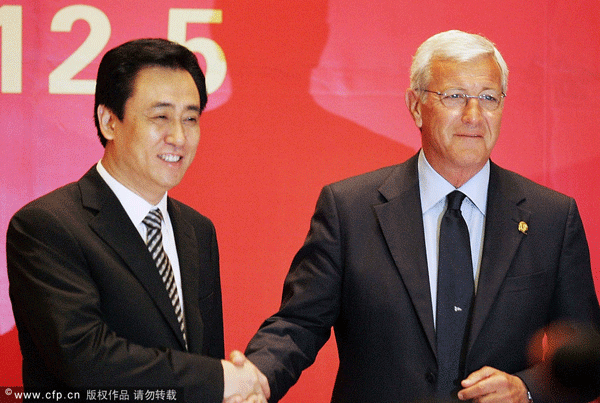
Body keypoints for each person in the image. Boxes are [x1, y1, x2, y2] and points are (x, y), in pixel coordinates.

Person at [243, 30, 600, 402]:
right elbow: (298, 323)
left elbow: (589, 356)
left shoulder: (552, 218)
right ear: (416, 106)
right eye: (455, 96)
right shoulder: (349, 209)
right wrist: (253, 381)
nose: (474, 115)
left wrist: (527, 390)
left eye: (489, 98)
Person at [7, 38, 267, 403]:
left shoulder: (197, 230)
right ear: (109, 121)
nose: (178, 136)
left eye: (190, 118)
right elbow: (85, 360)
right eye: (160, 116)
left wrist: (226, 391)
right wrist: (220, 378)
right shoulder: (47, 226)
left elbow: (202, 355)